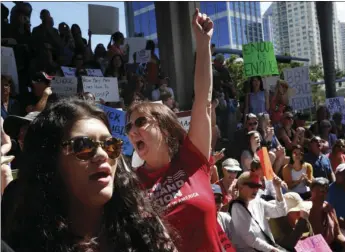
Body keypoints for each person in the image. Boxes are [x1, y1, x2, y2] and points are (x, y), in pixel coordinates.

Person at [2, 98, 177, 251]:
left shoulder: (144, 228)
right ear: (51, 160)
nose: (102, 154)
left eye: (110, 144)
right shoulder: (22, 241)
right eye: (83, 145)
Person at [125, 9, 223, 251]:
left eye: (140, 122)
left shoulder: (193, 158)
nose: (132, 131)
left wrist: (203, 44)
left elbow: (203, 98)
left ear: (165, 128)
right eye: (128, 126)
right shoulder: (131, 186)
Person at [229, 171, 287, 252]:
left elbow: (281, 211)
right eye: (252, 186)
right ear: (241, 186)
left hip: (269, 248)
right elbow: (251, 239)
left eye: (258, 186)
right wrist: (272, 250)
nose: (256, 189)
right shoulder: (237, 208)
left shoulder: (257, 200)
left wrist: (278, 189)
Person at [309, 177, 345, 251]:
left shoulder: (329, 209)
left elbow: (337, 233)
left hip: (331, 246)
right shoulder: (306, 208)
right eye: (319, 190)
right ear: (312, 191)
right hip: (313, 248)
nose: (322, 193)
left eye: (325, 191)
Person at [327, 164, 345, 243]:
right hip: (340, 227)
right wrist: (344, 224)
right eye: (344, 173)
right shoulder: (330, 190)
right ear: (337, 174)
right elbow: (329, 214)